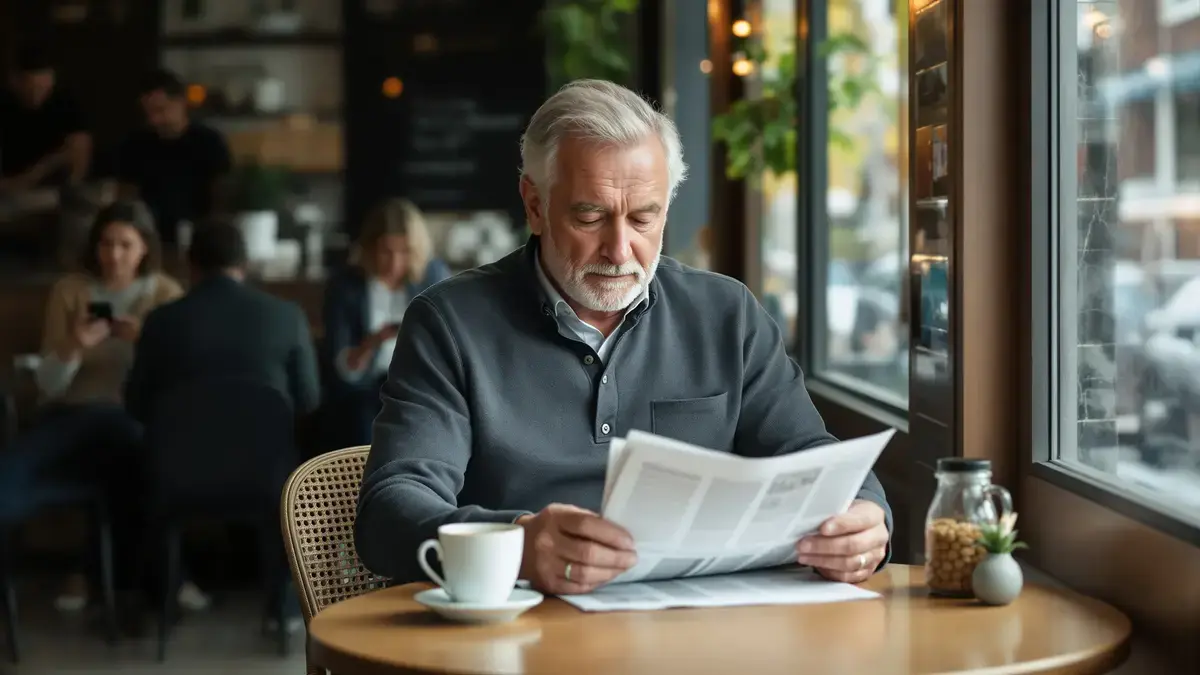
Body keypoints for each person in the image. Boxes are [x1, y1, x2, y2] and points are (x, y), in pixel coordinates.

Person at [356, 80, 892, 594]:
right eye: (590, 217)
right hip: (518, 636)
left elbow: (812, 458)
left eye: (643, 218)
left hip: (702, 633)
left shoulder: (728, 314)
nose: (619, 249)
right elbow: (390, 510)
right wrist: (514, 543)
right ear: (535, 205)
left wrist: (865, 516)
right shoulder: (448, 323)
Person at [5, 201, 197, 612]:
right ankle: (161, 579)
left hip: (134, 417)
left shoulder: (165, 293)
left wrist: (145, 342)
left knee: (131, 461)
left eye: (125, 245)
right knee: (17, 474)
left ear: (144, 248)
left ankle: (93, 574)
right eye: (106, 244)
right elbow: (48, 385)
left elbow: (181, 375)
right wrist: (74, 346)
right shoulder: (70, 291)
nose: (113, 256)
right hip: (73, 412)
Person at [124, 220, 320, 429]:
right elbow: (308, 401)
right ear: (245, 264)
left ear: (190, 264)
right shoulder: (288, 317)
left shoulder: (160, 321)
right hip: (268, 456)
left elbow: (137, 405)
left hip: (180, 456)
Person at [321, 198, 451, 447]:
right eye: (386, 251)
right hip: (363, 390)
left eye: (404, 252)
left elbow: (449, 343)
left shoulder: (433, 276)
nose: (395, 262)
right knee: (359, 425)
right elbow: (342, 371)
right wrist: (371, 343)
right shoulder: (345, 286)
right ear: (368, 248)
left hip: (418, 385)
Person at [116, 69, 232, 246]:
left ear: (181, 103)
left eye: (160, 110)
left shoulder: (209, 142)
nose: (154, 120)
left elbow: (222, 196)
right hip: (149, 240)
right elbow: (127, 195)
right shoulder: (135, 144)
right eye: (148, 113)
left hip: (199, 237)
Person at [0, 43, 90, 191]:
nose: (38, 94)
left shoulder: (66, 104)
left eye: (44, 88)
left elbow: (80, 151)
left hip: (54, 191)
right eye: (32, 88)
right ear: (14, 81)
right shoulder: (4, 104)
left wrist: (35, 174)